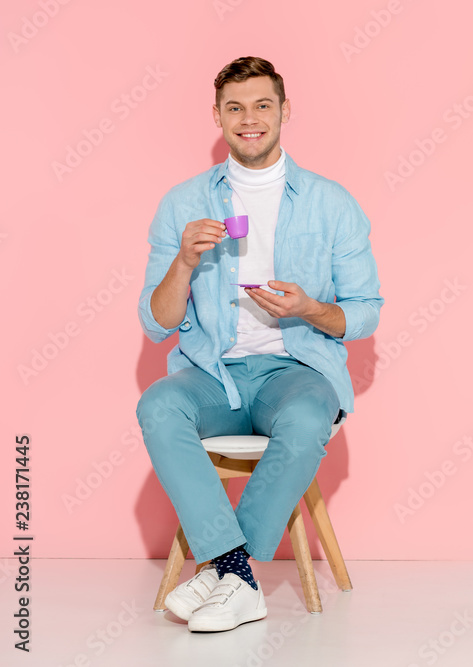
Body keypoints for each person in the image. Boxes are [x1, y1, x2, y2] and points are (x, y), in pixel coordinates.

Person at [136, 56, 382, 632]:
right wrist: (184, 261)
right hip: (213, 373)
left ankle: (226, 574)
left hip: (294, 366)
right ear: (218, 116)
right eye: (235, 108)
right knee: (157, 404)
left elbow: (366, 314)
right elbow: (156, 323)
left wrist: (309, 309)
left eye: (262, 105)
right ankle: (237, 574)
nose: (250, 119)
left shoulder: (331, 202)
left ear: (284, 111)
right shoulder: (182, 204)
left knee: (304, 419)